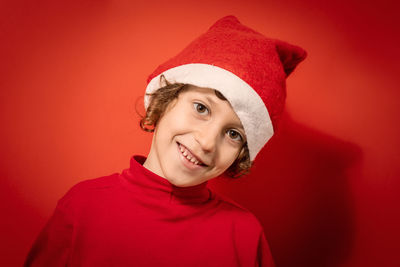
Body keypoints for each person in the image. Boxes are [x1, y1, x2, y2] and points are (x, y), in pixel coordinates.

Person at [24, 15, 306, 266]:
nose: (207, 142)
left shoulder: (245, 235)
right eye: (201, 108)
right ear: (166, 98)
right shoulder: (82, 207)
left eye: (234, 134)